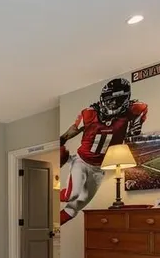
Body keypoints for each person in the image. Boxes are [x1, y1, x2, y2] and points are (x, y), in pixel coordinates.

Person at [59, 78, 148, 225]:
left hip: (100, 168)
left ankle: (49, 227)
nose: (112, 103)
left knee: (76, 207)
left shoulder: (135, 110)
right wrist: (59, 148)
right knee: (72, 195)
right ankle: (49, 196)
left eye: (117, 100)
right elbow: (67, 135)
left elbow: (135, 132)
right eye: (109, 99)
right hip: (82, 161)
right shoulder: (89, 114)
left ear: (126, 99)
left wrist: (135, 129)